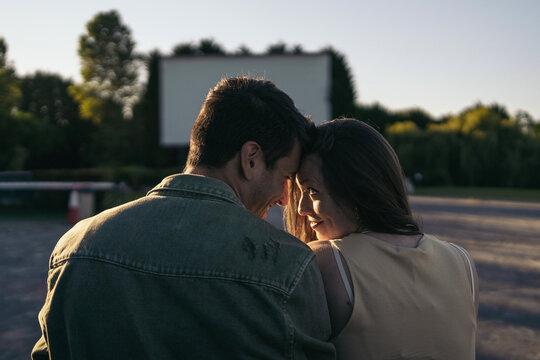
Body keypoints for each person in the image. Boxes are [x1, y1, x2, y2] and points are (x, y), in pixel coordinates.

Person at [32, 77, 335, 359]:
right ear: (251, 158)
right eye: (285, 177)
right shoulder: (289, 266)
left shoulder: (75, 248)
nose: (285, 199)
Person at [285, 119, 478, 360]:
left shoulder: (326, 261)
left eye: (311, 191)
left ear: (356, 188)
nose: (301, 208)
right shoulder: (462, 262)